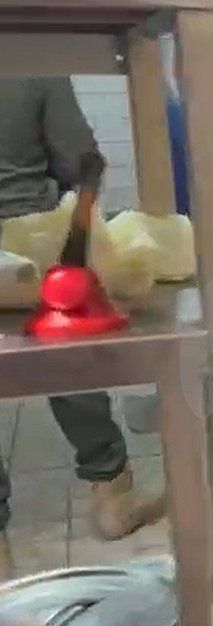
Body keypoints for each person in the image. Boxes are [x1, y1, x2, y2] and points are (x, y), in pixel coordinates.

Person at [0, 78, 166, 579]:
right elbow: (80, 160)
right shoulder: (32, 55)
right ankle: (111, 489)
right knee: (67, 346)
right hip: (25, 240)